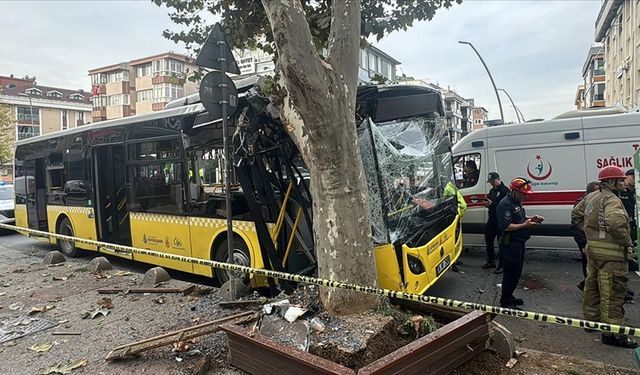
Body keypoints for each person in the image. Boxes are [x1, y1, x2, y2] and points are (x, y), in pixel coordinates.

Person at [571, 165, 637, 349]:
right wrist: (626, 242)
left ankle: (592, 323)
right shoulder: (612, 200)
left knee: (592, 286)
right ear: (611, 182)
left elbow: (575, 214)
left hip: (594, 253)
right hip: (613, 256)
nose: (624, 182)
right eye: (621, 179)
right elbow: (615, 225)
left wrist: (591, 233)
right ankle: (613, 335)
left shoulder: (591, 197)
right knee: (613, 294)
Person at [497, 177, 543, 309]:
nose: (525, 197)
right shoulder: (505, 204)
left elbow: (519, 218)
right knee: (510, 274)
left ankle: (509, 295)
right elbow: (506, 226)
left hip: (519, 243)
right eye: (523, 194)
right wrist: (525, 225)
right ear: (514, 191)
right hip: (510, 244)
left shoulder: (516, 203)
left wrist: (531, 219)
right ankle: (505, 301)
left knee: (516, 273)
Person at [571, 181, 600, 291]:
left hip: (594, 239)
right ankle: (588, 286)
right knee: (588, 264)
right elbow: (576, 226)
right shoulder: (581, 203)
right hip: (585, 240)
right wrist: (583, 244)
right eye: (595, 192)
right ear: (588, 192)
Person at [482, 172, 510, 273]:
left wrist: (492, 204)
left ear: (497, 179)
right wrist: (487, 204)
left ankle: (501, 265)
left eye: (492, 182)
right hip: (492, 219)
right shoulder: (492, 191)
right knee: (488, 240)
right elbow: (490, 201)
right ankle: (491, 261)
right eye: (490, 182)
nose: (491, 184)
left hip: (500, 220)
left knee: (501, 243)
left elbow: (504, 206)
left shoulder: (505, 191)